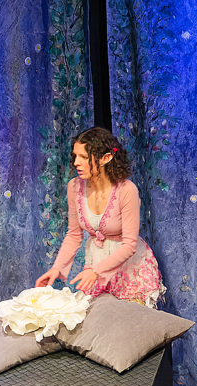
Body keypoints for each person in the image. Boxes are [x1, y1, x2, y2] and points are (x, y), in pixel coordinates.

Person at [35, 126, 165, 307]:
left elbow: (129, 245)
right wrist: (57, 268)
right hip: (95, 265)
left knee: (128, 322)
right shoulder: (74, 187)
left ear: (106, 158)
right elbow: (74, 235)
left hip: (129, 269)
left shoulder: (126, 190)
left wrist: (96, 271)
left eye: (83, 157)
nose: (76, 163)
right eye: (75, 156)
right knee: (97, 319)